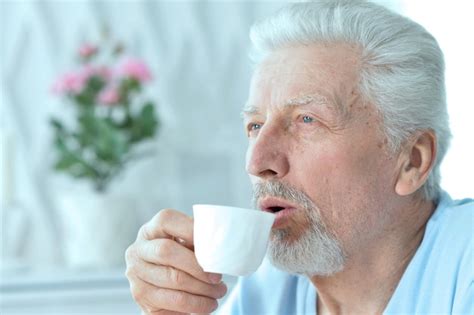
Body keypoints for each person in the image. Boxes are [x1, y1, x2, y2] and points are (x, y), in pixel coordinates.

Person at [125, 1, 473, 314]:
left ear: (411, 160)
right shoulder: (270, 287)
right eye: (255, 125)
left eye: (307, 120)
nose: (257, 162)